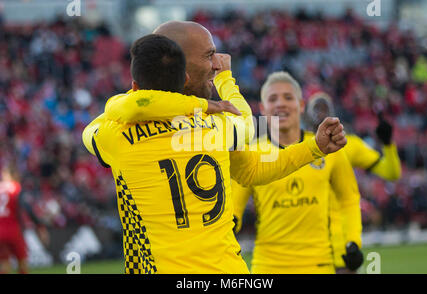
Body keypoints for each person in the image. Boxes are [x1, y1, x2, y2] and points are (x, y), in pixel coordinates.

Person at [82, 27, 347, 273]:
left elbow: (110, 113)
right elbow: (251, 140)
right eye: (210, 56)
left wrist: (314, 146)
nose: (218, 63)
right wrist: (312, 148)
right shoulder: (218, 127)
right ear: (184, 73)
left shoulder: (117, 134)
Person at [231, 72, 362, 274]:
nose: (281, 104)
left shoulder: (328, 147)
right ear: (263, 109)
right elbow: (234, 209)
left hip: (319, 265)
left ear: (301, 106)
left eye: (288, 97)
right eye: (273, 99)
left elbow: (349, 199)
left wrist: (353, 241)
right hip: (268, 268)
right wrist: (230, 226)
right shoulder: (251, 153)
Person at [306, 91, 402, 273]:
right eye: (316, 109)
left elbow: (391, 173)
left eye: (324, 108)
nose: (320, 114)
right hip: (305, 247)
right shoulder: (298, 149)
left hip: (341, 247)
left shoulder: (349, 145)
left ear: (333, 113)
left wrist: (388, 144)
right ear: (306, 113)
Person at [0, 165, 49, 274]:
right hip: (13, 230)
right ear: (15, 175)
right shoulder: (16, 188)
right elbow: (27, 208)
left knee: (4, 265)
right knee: (22, 264)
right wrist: (40, 226)